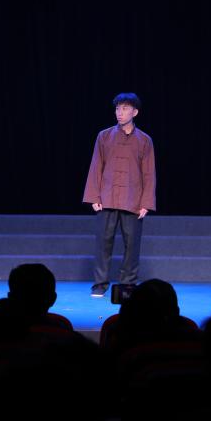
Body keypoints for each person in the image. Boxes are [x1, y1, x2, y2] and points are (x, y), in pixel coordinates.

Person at [82, 93, 156, 298]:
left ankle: (128, 285)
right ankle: (100, 284)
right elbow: (96, 166)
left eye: (124, 109)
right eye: (117, 108)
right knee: (103, 243)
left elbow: (149, 173)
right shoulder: (104, 136)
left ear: (135, 112)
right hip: (107, 198)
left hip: (133, 200)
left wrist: (146, 203)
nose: (119, 113)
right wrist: (94, 197)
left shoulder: (144, 140)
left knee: (132, 245)